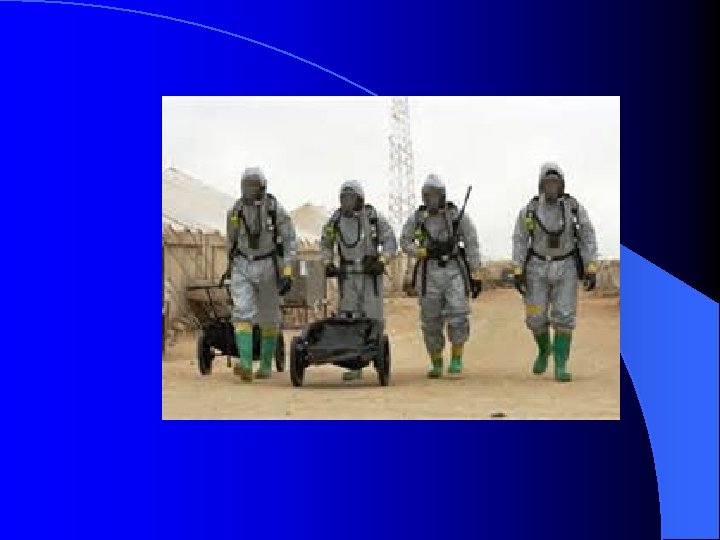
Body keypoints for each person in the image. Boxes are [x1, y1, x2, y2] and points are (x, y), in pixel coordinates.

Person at [511, 162, 598, 382]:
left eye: (555, 183)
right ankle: (544, 349)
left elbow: (587, 235)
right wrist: (518, 269)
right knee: (535, 315)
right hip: (537, 267)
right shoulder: (529, 211)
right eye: (548, 183)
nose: (552, 187)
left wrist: (590, 265)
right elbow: (520, 239)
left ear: (562, 185)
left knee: (565, 315)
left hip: (566, 265)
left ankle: (561, 363)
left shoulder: (573, 208)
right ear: (541, 185)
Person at [399, 174, 484, 378]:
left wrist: (476, 273)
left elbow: (471, 243)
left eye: (435, 195)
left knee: (458, 314)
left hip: (454, 269)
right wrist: (423, 251)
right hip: (428, 272)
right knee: (430, 319)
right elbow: (404, 241)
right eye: (428, 196)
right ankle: (436, 362)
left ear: (443, 195)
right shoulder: (417, 219)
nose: (432, 200)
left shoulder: (456, 216)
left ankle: (456, 358)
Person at [224, 167, 297, 382]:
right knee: (242, 311)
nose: (249, 190)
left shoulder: (276, 210)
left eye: (253, 186)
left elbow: (289, 241)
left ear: (263, 187)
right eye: (246, 186)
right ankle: (246, 365)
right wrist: (231, 265)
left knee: (269, 315)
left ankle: (265, 366)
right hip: (242, 263)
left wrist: (286, 271)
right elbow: (231, 240)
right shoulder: (235, 212)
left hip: (268, 264)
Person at [320, 180, 397, 381]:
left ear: (360, 199)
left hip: (370, 275)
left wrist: (382, 260)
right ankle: (354, 363)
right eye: (344, 198)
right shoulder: (335, 221)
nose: (347, 202)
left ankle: (375, 355)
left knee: (372, 316)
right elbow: (326, 242)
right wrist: (328, 262)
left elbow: (390, 240)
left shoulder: (372, 218)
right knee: (349, 317)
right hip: (347, 275)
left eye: (351, 198)